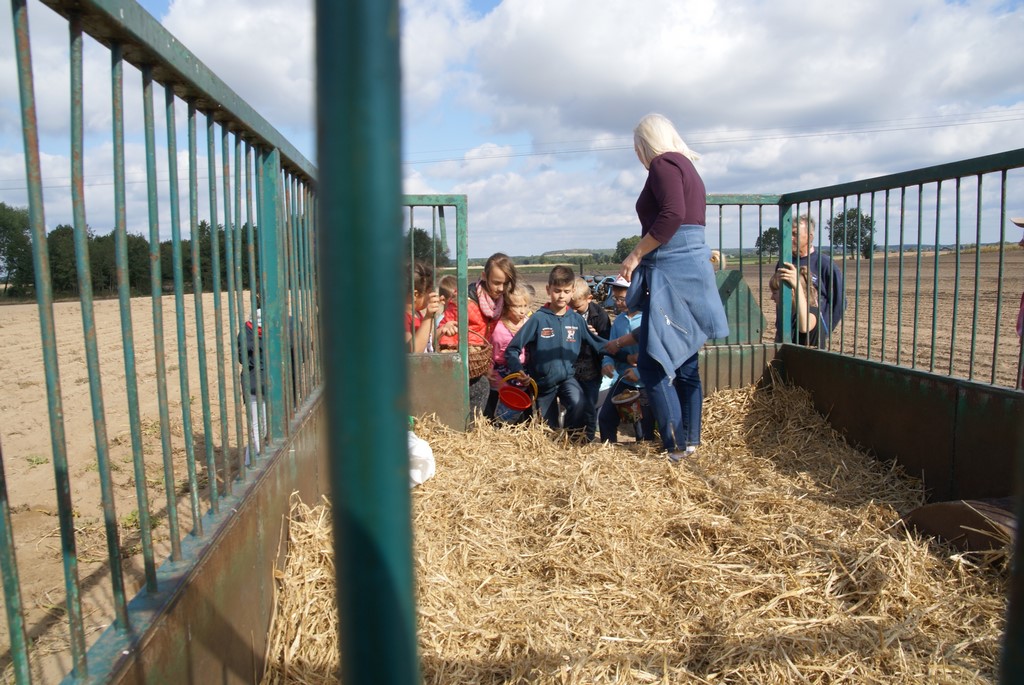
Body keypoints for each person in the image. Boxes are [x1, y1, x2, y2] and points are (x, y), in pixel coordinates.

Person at [609, 113, 729, 462]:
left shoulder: (662, 165)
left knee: (652, 364)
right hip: (692, 270)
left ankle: (674, 444)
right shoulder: (688, 167)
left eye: (637, 147)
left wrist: (635, 254)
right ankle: (690, 441)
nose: (637, 154)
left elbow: (672, 214)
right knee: (687, 362)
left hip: (670, 272)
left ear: (646, 143)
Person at [504, 265, 608, 436]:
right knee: (548, 430)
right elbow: (512, 349)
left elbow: (598, 344)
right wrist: (518, 370)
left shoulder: (575, 319)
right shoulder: (538, 319)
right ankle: (555, 438)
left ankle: (569, 438)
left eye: (566, 291)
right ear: (548, 289)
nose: (561, 296)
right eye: (557, 291)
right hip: (543, 384)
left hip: (568, 378)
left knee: (579, 403)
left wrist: (622, 349)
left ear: (572, 291)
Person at [437, 253, 519, 414]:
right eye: (496, 283)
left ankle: (471, 424)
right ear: (484, 276)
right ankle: (468, 425)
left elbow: (487, 337)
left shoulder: (498, 304)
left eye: (505, 283)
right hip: (458, 362)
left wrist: (487, 364)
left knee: (483, 388)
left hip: (476, 363)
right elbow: (445, 331)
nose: (501, 288)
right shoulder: (463, 301)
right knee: (480, 388)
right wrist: (447, 335)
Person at [599, 277, 655, 443]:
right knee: (605, 417)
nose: (618, 302)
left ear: (636, 295)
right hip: (624, 380)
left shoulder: (647, 319)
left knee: (643, 428)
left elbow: (654, 353)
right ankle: (608, 448)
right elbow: (611, 348)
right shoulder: (619, 321)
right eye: (615, 298)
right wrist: (607, 363)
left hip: (644, 382)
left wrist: (639, 372)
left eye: (622, 298)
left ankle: (643, 451)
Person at [775, 213, 845, 345]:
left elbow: (839, 302)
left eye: (795, 234)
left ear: (810, 237)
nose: (790, 238)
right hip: (786, 335)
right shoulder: (784, 263)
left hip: (810, 338)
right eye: (788, 234)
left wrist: (823, 331)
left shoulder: (825, 265)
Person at [570, 277, 611, 441]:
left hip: (592, 368)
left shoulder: (600, 316)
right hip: (572, 368)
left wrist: (594, 336)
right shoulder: (567, 314)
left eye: (577, 307)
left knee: (589, 406)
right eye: (571, 306)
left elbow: (606, 343)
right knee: (574, 404)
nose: (574, 311)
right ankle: (572, 436)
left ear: (589, 298)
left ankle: (588, 438)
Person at [485, 284, 533, 419]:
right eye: (517, 306)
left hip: (522, 374)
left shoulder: (529, 323)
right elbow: (490, 349)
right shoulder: (497, 328)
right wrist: (488, 369)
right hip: (500, 375)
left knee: (522, 408)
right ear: (506, 306)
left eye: (525, 306)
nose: (522, 311)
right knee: (497, 408)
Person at [236, 307, 266, 466]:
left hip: (251, 382)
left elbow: (241, 358)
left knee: (257, 427)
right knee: (263, 428)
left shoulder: (245, 331)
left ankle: (250, 463)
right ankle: (256, 461)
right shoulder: (273, 331)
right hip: (270, 383)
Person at [770, 263, 821, 347]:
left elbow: (804, 327)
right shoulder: (790, 313)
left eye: (775, 293)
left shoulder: (812, 312)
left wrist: (797, 286)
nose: (772, 298)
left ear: (792, 292)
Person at [405, 261, 442, 353]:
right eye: (429, 292)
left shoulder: (416, 313)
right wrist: (428, 318)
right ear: (415, 295)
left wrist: (442, 330)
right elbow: (413, 351)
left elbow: (426, 340)